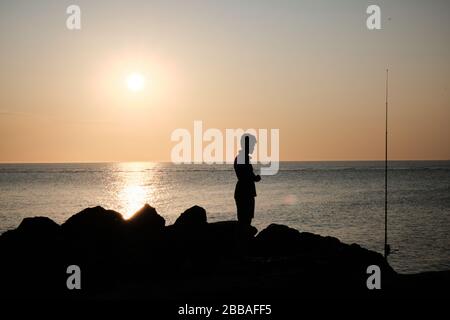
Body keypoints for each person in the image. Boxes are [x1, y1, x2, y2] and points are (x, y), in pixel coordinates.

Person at [234, 134, 261, 226]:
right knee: (245, 220)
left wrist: (254, 177)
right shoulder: (242, 158)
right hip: (244, 192)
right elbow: (245, 175)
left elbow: (246, 174)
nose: (253, 147)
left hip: (245, 191)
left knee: (245, 219)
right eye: (252, 145)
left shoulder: (242, 158)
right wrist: (255, 178)